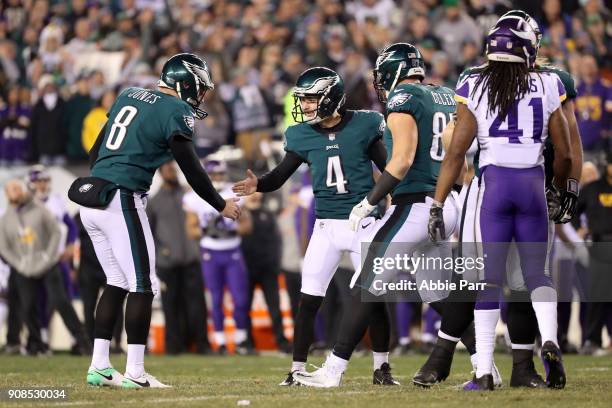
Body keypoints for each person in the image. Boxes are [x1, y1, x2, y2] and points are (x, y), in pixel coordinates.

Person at [416, 9, 584, 390]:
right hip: (535, 187)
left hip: (492, 184)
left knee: (485, 278)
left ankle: (488, 371)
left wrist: (439, 202)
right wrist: (566, 187)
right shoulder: (549, 83)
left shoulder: (475, 83)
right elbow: (569, 150)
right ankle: (547, 344)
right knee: (532, 276)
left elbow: (455, 151)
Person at [293, 43, 459, 388]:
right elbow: (459, 158)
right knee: (439, 296)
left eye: (383, 75)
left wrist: (369, 201)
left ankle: (333, 370)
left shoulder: (403, 98)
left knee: (365, 282)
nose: (381, 84)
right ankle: (486, 365)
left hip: (413, 205)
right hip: (445, 202)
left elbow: (401, 160)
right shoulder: (444, 95)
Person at [71, 53, 241, 388]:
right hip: (121, 198)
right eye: (200, 87)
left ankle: (100, 366)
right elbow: (191, 167)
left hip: (92, 198)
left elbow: (96, 151)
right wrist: (220, 204)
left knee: (117, 282)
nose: (201, 95)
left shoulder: (128, 94)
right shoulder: (174, 109)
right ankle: (135, 372)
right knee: (143, 284)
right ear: (186, 83)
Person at [233, 66, 395, 387]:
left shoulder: (364, 124)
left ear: (331, 97)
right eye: (303, 99)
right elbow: (280, 175)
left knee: (372, 296)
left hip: (363, 221)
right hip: (326, 225)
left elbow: (387, 167)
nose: (305, 105)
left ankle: (382, 367)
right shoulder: (301, 134)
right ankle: (296, 370)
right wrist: (259, 185)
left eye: (311, 99)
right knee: (308, 299)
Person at [183, 159, 251, 354]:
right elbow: (191, 230)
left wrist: (232, 231)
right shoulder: (195, 197)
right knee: (216, 298)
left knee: (240, 298)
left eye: (220, 174)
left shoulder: (234, 193)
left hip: (232, 251)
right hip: (210, 252)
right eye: (213, 175)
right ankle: (220, 341)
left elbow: (247, 226)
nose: (217, 178)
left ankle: (241, 340)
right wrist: (207, 230)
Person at [147, 161, 210, 355]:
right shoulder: (155, 201)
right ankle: (174, 346)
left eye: (174, 169)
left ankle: (201, 345)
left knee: (197, 305)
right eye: (168, 170)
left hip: (191, 259)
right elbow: (149, 233)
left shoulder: (188, 195)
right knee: (171, 306)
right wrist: (160, 253)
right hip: (167, 262)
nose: (172, 172)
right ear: (160, 173)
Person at [28, 165, 91, 356]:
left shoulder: (56, 201)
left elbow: (70, 226)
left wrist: (71, 245)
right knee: (38, 301)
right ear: (31, 183)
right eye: (39, 181)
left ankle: (77, 341)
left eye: (45, 180)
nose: (43, 184)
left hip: (57, 259)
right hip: (35, 260)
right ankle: (41, 341)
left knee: (64, 300)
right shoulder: (28, 204)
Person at [0, 179, 61, 355]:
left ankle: (76, 341)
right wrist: (20, 265)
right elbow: (4, 248)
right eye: (12, 189)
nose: (16, 192)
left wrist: (48, 257)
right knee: (24, 306)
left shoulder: (38, 207)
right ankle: (26, 343)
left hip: (44, 264)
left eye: (18, 188)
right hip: (20, 268)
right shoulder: (5, 218)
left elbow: (56, 231)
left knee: (53, 302)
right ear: (6, 193)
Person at [241, 192, 291, 353]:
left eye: (256, 192)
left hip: (268, 269)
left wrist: (275, 264)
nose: (254, 195)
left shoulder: (267, 214)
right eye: (250, 193)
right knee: (244, 307)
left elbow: (277, 241)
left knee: (275, 307)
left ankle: (281, 342)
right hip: (246, 268)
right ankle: (247, 343)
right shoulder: (239, 213)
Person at [576, 151, 612, 355]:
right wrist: (578, 233)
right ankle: (592, 339)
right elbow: (572, 213)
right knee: (597, 296)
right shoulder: (592, 189)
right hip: (599, 246)